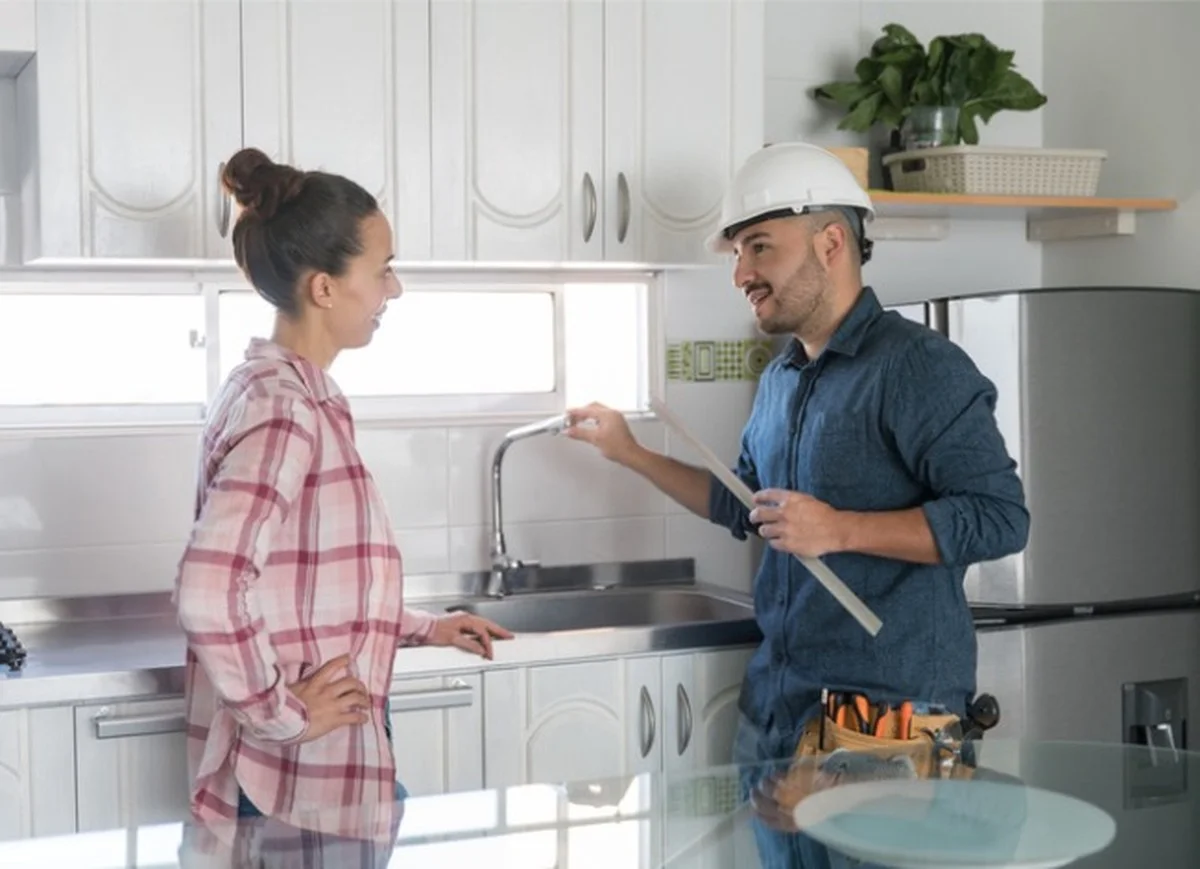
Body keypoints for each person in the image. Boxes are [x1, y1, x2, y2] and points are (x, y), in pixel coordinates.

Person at [564, 142, 1030, 866]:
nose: (741, 273)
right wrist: (631, 452)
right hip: (779, 712)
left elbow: (1001, 516)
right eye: (737, 253)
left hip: (886, 729)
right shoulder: (783, 375)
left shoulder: (920, 367)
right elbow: (743, 504)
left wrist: (838, 527)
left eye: (757, 247)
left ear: (831, 241)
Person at [172, 148, 512, 832]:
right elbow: (209, 588)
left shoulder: (288, 392)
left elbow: (306, 589)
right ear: (324, 288)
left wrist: (421, 627)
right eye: (382, 270)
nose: (395, 290)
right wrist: (282, 712)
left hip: (321, 774)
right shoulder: (284, 409)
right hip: (297, 781)